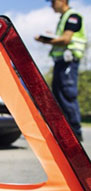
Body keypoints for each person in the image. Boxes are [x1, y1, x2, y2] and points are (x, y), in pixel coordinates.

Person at [35, 0, 87, 141]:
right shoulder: (64, 18)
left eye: (53, 1)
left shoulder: (72, 16)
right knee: (58, 95)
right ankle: (64, 132)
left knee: (67, 95)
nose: (51, 4)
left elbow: (66, 39)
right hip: (61, 63)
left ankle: (75, 134)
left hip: (68, 62)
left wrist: (45, 40)